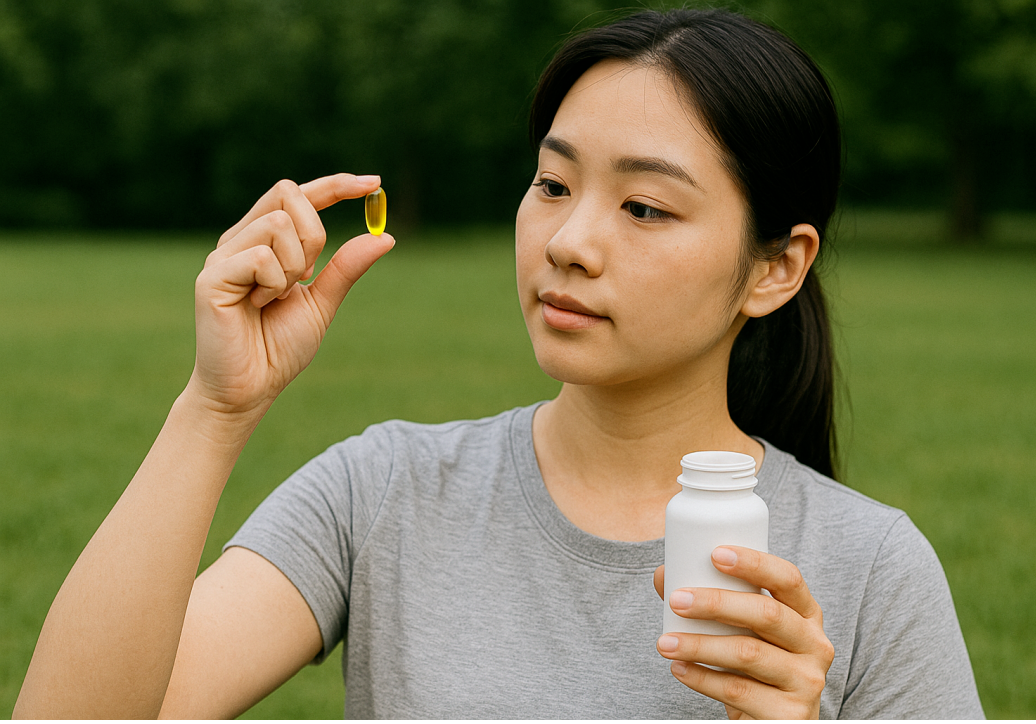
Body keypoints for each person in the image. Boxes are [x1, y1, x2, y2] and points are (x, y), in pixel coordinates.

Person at [14, 8, 984, 720]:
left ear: (775, 268)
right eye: (553, 184)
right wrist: (215, 407)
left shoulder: (873, 569)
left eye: (643, 207)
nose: (568, 242)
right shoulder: (385, 492)